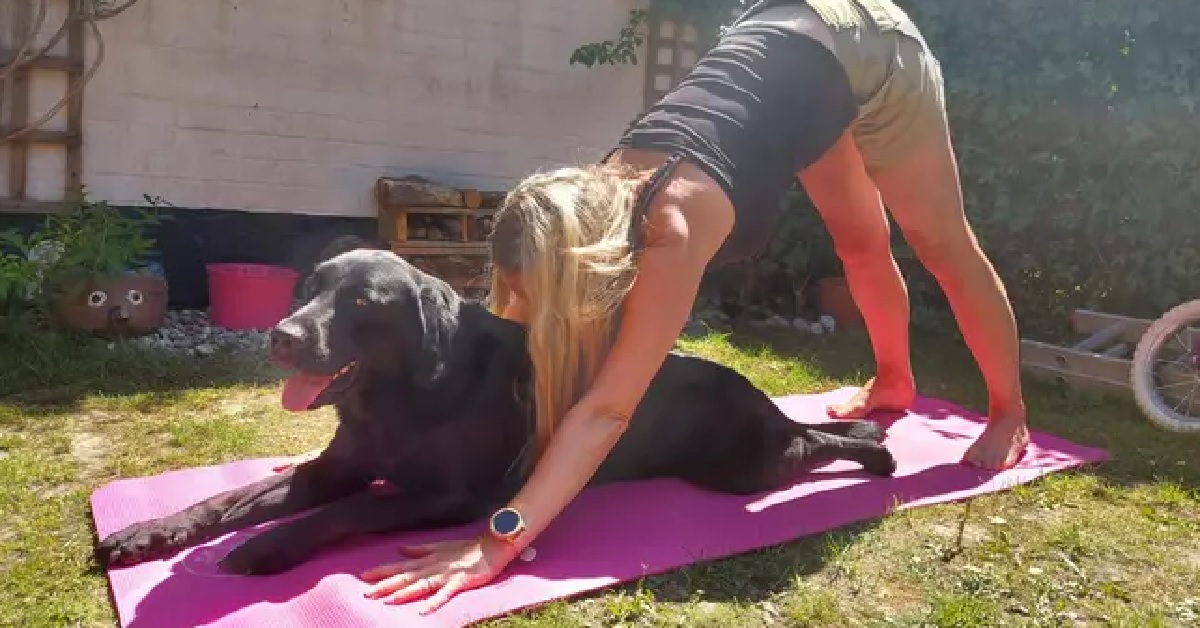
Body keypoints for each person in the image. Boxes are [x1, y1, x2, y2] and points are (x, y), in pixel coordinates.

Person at [355, 0, 1029, 611]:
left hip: (868, 47)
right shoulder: (587, 199)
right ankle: (895, 381)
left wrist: (499, 540)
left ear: (582, 273)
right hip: (794, 60)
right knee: (858, 242)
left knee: (938, 242)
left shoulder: (665, 231)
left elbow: (608, 410)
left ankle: (1010, 412)